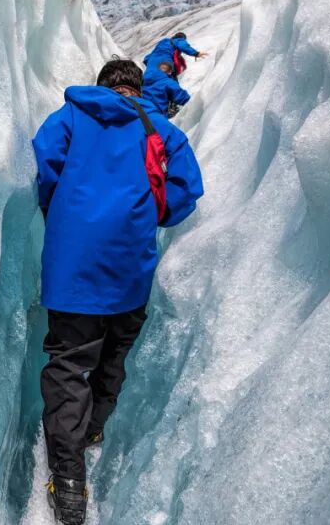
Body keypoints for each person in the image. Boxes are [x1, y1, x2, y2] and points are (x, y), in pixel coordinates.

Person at [32, 59, 204, 525]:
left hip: (72, 267)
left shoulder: (69, 116)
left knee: (69, 364)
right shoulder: (160, 129)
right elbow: (187, 189)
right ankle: (90, 431)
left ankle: (68, 482)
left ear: (102, 85)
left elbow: (47, 164)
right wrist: (149, 215)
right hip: (130, 266)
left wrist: (64, 213)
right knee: (113, 353)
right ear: (136, 86)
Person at [142, 31, 207, 77]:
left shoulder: (163, 41)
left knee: (148, 81)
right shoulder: (179, 40)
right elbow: (183, 46)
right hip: (164, 61)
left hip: (151, 60)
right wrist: (196, 53)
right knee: (168, 82)